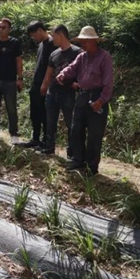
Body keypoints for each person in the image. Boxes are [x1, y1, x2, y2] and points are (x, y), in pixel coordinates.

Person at [56, 26, 114, 175]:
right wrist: (62, 74)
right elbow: (72, 68)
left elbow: (108, 82)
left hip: (97, 96)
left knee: (95, 134)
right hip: (82, 95)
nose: (83, 44)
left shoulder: (104, 57)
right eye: (81, 41)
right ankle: (78, 160)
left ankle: (91, 167)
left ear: (94, 41)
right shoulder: (82, 56)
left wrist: (101, 100)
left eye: (85, 41)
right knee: (76, 129)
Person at [40, 24, 81, 157]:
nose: (52, 39)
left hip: (68, 92)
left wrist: (77, 84)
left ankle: (72, 151)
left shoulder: (77, 52)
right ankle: (49, 146)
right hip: (53, 91)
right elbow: (49, 72)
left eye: (54, 35)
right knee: (50, 120)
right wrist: (44, 86)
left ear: (61, 35)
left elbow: (83, 72)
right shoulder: (54, 53)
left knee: (71, 123)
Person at [21, 21, 55, 149]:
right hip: (36, 84)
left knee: (45, 114)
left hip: (46, 85)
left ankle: (46, 141)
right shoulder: (41, 44)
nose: (33, 38)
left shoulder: (53, 44)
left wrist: (45, 84)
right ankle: (35, 138)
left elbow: (51, 67)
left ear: (40, 30)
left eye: (34, 35)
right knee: (35, 113)